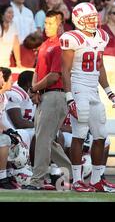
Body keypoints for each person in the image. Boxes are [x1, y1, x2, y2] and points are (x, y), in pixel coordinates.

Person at [60, 2, 115, 193]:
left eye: (94, 17)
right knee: (79, 134)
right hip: (78, 87)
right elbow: (65, 70)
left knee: (101, 135)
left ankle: (96, 180)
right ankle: (77, 180)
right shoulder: (72, 38)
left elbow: (100, 65)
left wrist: (109, 91)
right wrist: (69, 97)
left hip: (93, 88)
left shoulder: (102, 36)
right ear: (78, 20)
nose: (93, 21)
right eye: (88, 18)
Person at [25, 10, 72, 191]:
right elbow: (38, 70)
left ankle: (37, 180)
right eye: (46, 23)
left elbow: (54, 75)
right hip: (44, 94)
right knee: (46, 139)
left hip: (56, 94)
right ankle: (72, 171)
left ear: (60, 25)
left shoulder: (61, 45)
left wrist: (34, 88)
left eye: (51, 23)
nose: (47, 27)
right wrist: (36, 90)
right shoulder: (45, 44)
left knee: (43, 139)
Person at [0, 69, 19, 189]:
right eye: (0, 77)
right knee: (5, 139)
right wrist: (6, 131)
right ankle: (2, 177)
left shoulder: (3, 97)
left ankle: (10, 172)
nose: (12, 83)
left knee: (12, 138)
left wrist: (11, 131)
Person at [0, 3, 21, 67]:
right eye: (9, 12)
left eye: (12, 13)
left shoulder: (13, 25)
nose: (11, 15)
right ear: (2, 14)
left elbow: (16, 45)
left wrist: (18, 63)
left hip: (6, 64)